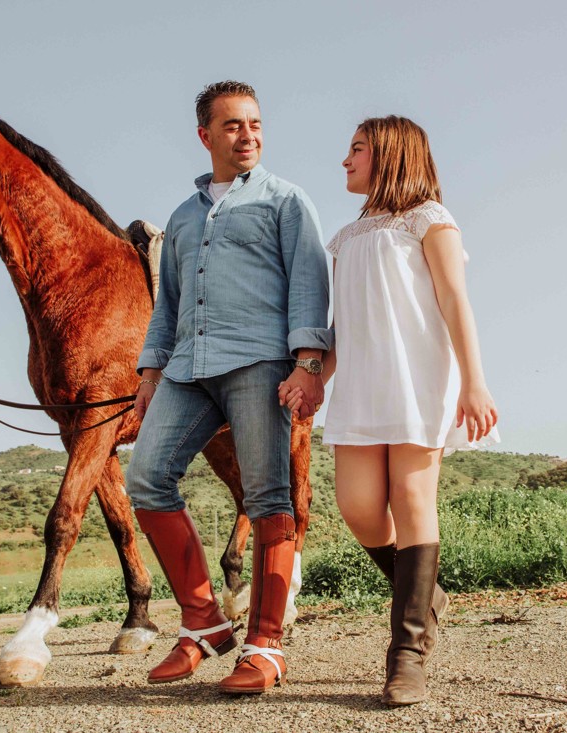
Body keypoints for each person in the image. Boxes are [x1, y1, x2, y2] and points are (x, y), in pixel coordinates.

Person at [281, 115, 499, 706]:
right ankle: (426, 596)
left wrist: (474, 382)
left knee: (410, 497)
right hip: (360, 383)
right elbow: (344, 323)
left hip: (417, 379)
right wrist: (313, 376)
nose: (345, 160)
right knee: (358, 509)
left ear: (391, 154)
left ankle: (407, 654)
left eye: (356, 149)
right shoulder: (347, 237)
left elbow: (455, 300)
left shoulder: (430, 218)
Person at [125, 81, 331, 695]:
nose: (248, 135)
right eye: (234, 125)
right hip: (187, 369)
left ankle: (265, 646)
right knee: (146, 477)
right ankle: (203, 622)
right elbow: (168, 304)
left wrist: (308, 363)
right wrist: (150, 373)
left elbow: (309, 283)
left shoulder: (286, 200)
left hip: (258, 362)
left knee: (268, 496)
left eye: (255, 124)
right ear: (205, 135)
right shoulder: (184, 216)